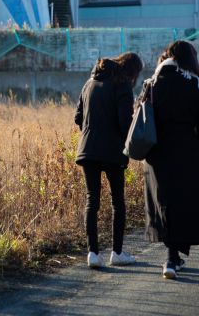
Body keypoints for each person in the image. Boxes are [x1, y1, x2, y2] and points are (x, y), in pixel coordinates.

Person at [143, 40, 199, 279]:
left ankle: (171, 256)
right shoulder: (194, 83)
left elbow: (141, 116)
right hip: (185, 150)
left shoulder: (151, 83)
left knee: (163, 200)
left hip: (156, 152)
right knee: (184, 201)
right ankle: (173, 257)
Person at [74, 51, 144, 268]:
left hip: (88, 149)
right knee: (117, 202)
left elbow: (78, 117)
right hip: (113, 151)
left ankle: (93, 254)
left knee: (91, 200)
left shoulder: (89, 83)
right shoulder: (121, 85)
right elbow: (125, 122)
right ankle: (117, 253)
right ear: (132, 71)